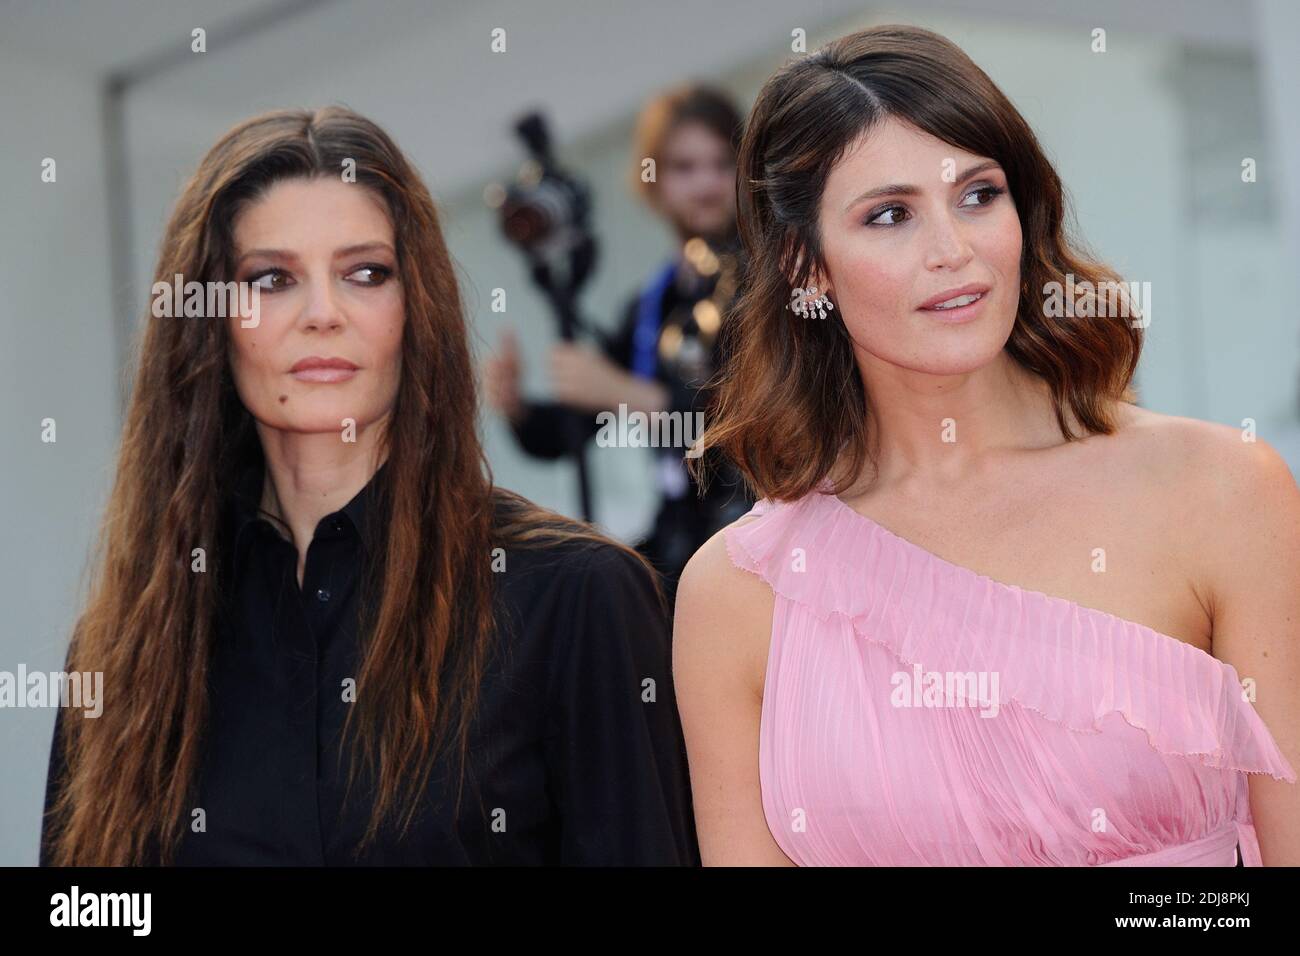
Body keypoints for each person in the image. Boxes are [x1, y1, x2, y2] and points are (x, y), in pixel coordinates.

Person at [673, 25, 1299, 866]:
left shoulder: (1220, 490)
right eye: (890, 215)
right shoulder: (735, 594)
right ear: (804, 265)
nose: (953, 250)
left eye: (978, 194)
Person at [39, 106, 699, 866]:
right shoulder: (121, 650)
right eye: (272, 279)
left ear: (415, 306)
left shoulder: (577, 597)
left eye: (364, 273)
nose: (323, 314)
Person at [484, 84, 753, 604]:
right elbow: (570, 430)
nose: (707, 183)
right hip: (689, 551)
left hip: (759, 538)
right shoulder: (653, 303)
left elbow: (755, 428)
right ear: (652, 180)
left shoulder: (768, 279)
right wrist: (518, 408)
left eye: (723, 163)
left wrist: (629, 394)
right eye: (684, 167)